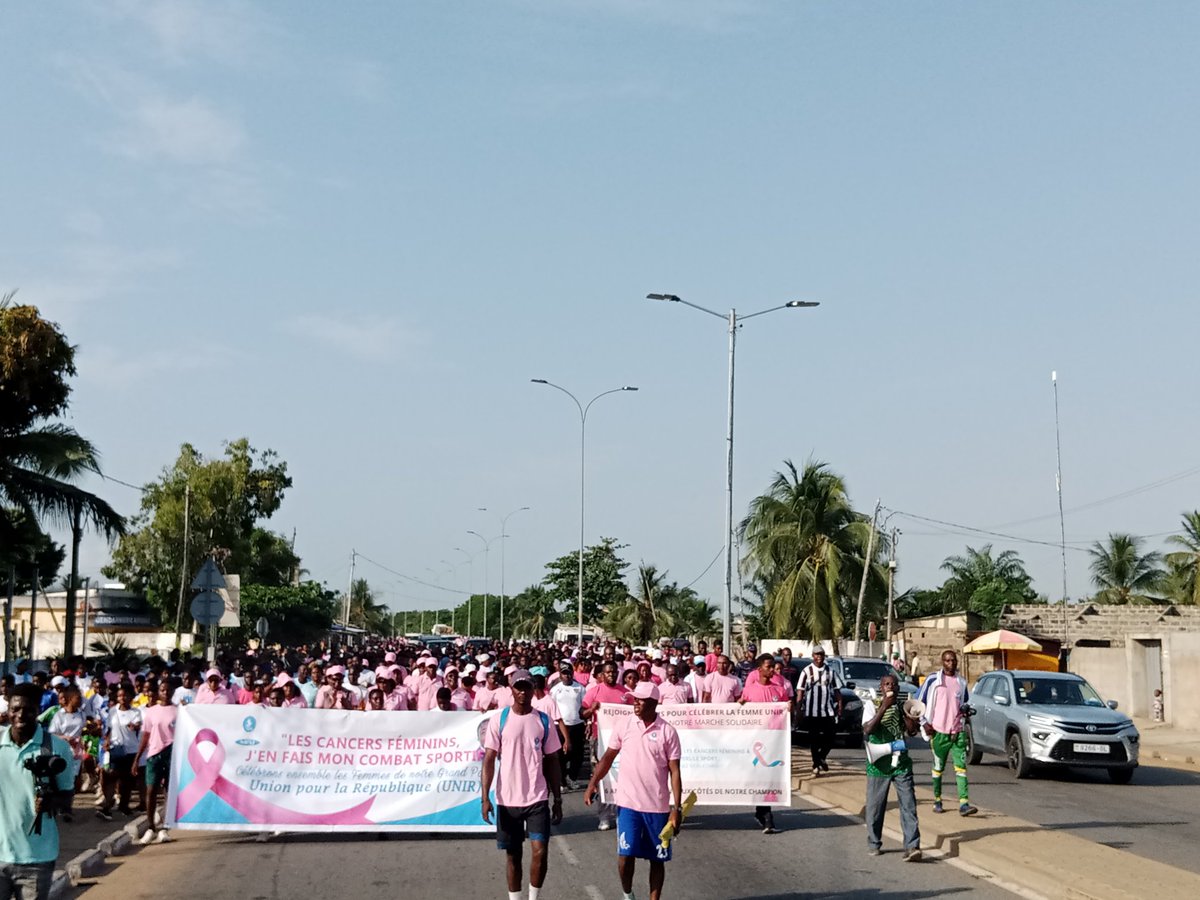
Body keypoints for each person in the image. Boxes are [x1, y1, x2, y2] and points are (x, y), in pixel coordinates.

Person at [585, 682, 683, 900]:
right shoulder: (625, 724)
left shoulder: (668, 731)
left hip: (657, 808)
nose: (635, 702)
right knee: (625, 856)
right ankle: (628, 894)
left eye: (640, 699)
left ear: (653, 703)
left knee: (657, 859)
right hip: (628, 805)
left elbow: (675, 772)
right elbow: (608, 757)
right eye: (634, 698)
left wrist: (676, 809)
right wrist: (593, 782)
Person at [481, 676, 563, 900]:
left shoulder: (544, 721)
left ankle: (533, 898)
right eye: (519, 688)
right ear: (511, 690)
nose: (523, 692)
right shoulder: (499, 720)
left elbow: (552, 760)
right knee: (513, 855)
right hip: (508, 800)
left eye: (527, 687)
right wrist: (485, 798)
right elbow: (489, 759)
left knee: (540, 851)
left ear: (533, 689)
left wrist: (558, 799)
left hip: (537, 799)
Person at [0, 683, 75, 900]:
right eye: (15, 709)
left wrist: (51, 802)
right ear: (8, 710)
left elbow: (67, 797)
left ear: (37, 709)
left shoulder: (56, 748)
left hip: (37, 858)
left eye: (28, 709)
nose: (21, 715)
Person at [863, 673, 922, 860]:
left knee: (908, 805)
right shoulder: (871, 704)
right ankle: (874, 842)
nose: (890, 687)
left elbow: (911, 733)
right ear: (881, 687)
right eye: (886, 684)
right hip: (879, 764)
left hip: (900, 763)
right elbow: (867, 729)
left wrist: (912, 719)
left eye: (893, 684)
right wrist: (883, 708)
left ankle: (912, 846)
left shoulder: (900, 706)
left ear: (897, 688)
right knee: (875, 807)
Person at [915, 650, 977, 816]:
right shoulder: (933, 681)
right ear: (942, 662)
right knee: (938, 768)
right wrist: (924, 723)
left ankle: (964, 803)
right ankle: (937, 799)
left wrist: (965, 714)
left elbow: (964, 704)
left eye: (953, 661)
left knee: (961, 768)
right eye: (948, 661)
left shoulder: (961, 682)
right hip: (938, 731)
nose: (951, 664)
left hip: (957, 732)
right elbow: (918, 702)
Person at [738, 653, 792, 834]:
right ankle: (763, 813)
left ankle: (766, 815)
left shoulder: (779, 690)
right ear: (759, 669)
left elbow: (784, 712)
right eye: (768, 667)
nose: (771, 670)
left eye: (772, 667)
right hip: (755, 743)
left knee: (769, 778)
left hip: (773, 743)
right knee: (759, 778)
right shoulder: (750, 690)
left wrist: (789, 708)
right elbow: (740, 711)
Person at [132, 680, 178, 844]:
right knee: (151, 790)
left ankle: (165, 828)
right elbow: (146, 736)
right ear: (158, 692)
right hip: (154, 754)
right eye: (162, 690)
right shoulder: (151, 712)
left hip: (172, 753)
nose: (165, 692)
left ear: (172, 691)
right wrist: (137, 758)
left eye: (168, 689)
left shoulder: (178, 711)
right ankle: (151, 826)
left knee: (168, 792)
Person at [796, 646, 842, 776]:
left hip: (827, 711)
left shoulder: (831, 671)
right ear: (813, 656)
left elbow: (837, 689)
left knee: (830, 736)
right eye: (816, 654)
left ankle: (821, 757)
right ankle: (816, 765)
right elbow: (800, 690)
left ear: (824, 656)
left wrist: (839, 705)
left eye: (821, 654)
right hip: (812, 712)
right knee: (814, 739)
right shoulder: (806, 671)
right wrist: (799, 709)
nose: (819, 657)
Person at [97, 685, 141, 821]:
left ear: (131, 697)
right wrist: (106, 742)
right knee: (110, 777)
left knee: (126, 780)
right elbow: (109, 730)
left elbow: (139, 726)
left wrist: (135, 726)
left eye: (126, 695)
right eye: (120, 696)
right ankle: (107, 806)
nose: (122, 698)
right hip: (115, 749)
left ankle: (124, 805)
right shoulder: (112, 711)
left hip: (131, 749)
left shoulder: (136, 712)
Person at [549, 662, 586, 789]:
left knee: (577, 755)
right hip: (560, 726)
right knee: (561, 755)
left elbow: (584, 706)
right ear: (560, 675)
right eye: (564, 673)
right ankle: (562, 781)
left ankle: (572, 777)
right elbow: (551, 707)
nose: (567, 676)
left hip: (577, 725)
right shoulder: (555, 690)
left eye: (569, 673)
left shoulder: (580, 688)